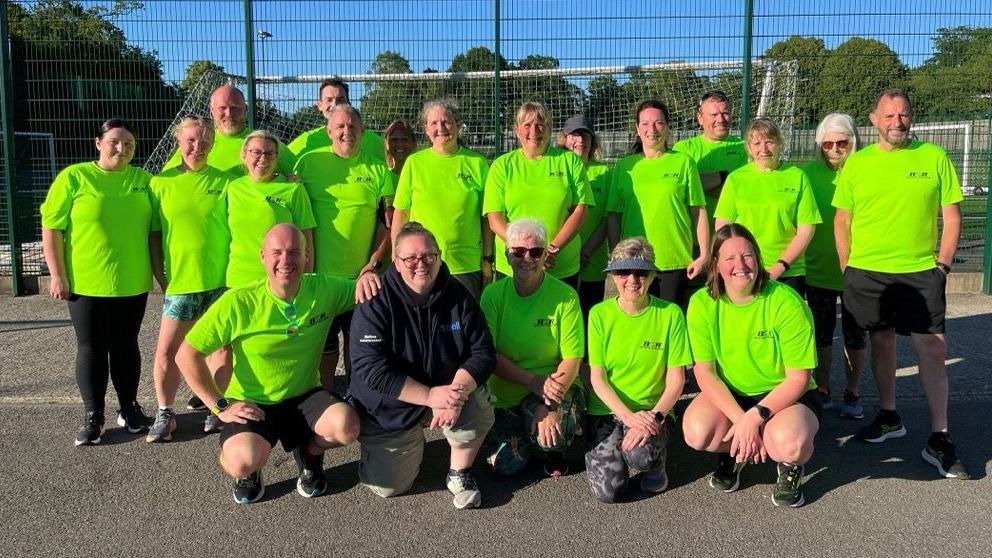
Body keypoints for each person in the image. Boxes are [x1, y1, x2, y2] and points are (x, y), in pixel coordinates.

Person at [176, 223, 380, 504]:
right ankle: (249, 473)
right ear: (262, 256)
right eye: (277, 252)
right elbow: (186, 355)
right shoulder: (239, 302)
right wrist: (219, 405)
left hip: (305, 395)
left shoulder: (324, 288)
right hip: (253, 402)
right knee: (242, 459)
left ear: (307, 257)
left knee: (347, 427)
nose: (286, 260)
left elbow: (366, 291)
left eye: (295, 252)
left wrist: (369, 274)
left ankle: (310, 453)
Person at [833, 89, 968, 479]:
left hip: (921, 272)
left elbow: (952, 216)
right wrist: (848, 268)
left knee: (932, 347)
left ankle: (940, 437)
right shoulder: (856, 165)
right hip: (868, 273)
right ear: (873, 119)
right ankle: (889, 416)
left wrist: (941, 266)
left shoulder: (934, 157)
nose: (897, 122)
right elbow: (843, 221)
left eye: (904, 115)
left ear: (912, 117)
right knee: (883, 341)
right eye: (888, 116)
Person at [349, 222, 496, 509]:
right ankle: (397, 442)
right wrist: (428, 397)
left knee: (477, 402)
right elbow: (370, 368)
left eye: (429, 256)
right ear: (396, 261)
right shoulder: (375, 299)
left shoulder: (458, 295)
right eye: (411, 258)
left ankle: (459, 472)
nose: (421, 264)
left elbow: (483, 352)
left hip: (444, 392)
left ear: (440, 256)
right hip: (393, 405)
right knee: (389, 487)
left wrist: (454, 394)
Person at [682, 224, 821, 508]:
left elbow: (799, 378)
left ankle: (789, 466)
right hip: (732, 393)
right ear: (716, 264)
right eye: (730, 258)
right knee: (697, 432)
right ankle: (735, 451)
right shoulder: (702, 303)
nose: (740, 265)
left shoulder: (785, 302)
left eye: (747, 256)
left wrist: (754, 417)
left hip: (784, 395)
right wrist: (740, 420)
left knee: (787, 443)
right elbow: (704, 372)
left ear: (758, 258)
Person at [40, 118, 154, 445]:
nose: (122, 148)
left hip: (131, 282)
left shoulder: (144, 180)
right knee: (91, 348)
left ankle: (129, 409)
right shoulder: (75, 177)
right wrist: (57, 274)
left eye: (129, 144)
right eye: (115, 142)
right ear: (98, 143)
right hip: (85, 285)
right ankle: (93, 415)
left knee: (126, 346)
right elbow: (51, 228)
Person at [294, 103, 395, 390]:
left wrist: (374, 262)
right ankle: (324, 397)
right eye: (339, 127)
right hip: (318, 280)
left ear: (362, 131)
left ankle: (358, 398)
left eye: (352, 126)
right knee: (323, 347)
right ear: (329, 131)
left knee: (359, 346)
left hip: (359, 279)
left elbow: (387, 222)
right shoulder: (308, 163)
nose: (346, 132)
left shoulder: (377, 169)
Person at [146, 117, 233, 442]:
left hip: (220, 282)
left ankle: (217, 409)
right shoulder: (160, 183)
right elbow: (154, 235)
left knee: (220, 349)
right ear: (179, 141)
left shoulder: (226, 182)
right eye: (191, 141)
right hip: (181, 284)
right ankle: (165, 413)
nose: (198, 147)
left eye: (205, 141)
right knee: (167, 352)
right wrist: (160, 275)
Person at [584, 237, 690, 503]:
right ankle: (605, 450)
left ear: (652, 275)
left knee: (640, 456)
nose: (632, 279)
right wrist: (628, 418)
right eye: (623, 271)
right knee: (607, 493)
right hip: (608, 410)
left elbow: (677, 380)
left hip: (652, 411)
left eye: (641, 272)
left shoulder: (670, 314)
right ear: (612, 276)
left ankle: (656, 464)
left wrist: (654, 417)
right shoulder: (599, 314)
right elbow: (597, 378)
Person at [480, 219, 585, 477]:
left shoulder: (565, 296)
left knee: (553, 438)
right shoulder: (493, 295)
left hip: (556, 386)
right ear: (507, 254)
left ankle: (552, 445)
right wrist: (532, 382)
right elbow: (488, 354)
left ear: (545, 254)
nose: (527, 258)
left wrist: (548, 404)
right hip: (509, 392)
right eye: (518, 252)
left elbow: (572, 358)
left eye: (536, 251)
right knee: (503, 464)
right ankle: (530, 433)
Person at [607, 99, 708, 307]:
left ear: (667, 126)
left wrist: (705, 254)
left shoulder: (683, 162)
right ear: (637, 128)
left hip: (675, 260)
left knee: (671, 324)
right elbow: (613, 216)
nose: (652, 129)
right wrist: (616, 257)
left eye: (658, 123)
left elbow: (698, 211)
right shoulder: (625, 167)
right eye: (645, 124)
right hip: (635, 262)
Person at [483, 101, 593, 288]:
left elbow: (581, 211)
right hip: (514, 268)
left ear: (549, 129)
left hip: (560, 267)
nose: (534, 130)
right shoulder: (502, 166)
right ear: (517, 130)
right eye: (527, 125)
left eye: (540, 124)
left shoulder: (570, 161)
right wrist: (526, 253)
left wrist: (551, 250)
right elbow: (495, 219)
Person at [392, 99, 493, 299]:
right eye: (434, 123)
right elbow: (401, 213)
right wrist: (397, 256)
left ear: (457, 123)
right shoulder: (414, 163)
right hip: (421, 265)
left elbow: (486, 218)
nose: (441, 128)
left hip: (465, 266)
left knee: (463, 326)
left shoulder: (477, 163)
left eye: (447, 122)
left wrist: (487, 259)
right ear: (426, 129)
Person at [801, 113, 867, 418]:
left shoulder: (866, 169)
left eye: (842, 141)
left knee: (855, 335)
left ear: (853, 140)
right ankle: (823, 387)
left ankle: (852, 393)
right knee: (822, 335)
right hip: (818, 271)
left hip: (858, 271)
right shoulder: (807, 175)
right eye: (828, 143)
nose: (835, 148)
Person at [714, 117, 821, 297]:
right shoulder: (736, 179)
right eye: (756, 143)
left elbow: (806, 229)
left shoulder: (797, 177)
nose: (763, 149)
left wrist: (780, 266)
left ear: (779, 143)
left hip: (789, 271)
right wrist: (737, 263)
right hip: (745, 271)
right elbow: (723, 227)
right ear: (748, 147)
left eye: (769, 142)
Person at [226, 130, 316, 289]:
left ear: (277, 158)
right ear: (244, 155)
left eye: (270, 154)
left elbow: (307, 240)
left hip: (280, 281)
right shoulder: (232, 189)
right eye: (256, 152)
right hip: (238, 281)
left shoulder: (293, 190)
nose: (263, 158)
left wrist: (305, 281)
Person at [165, 84, 295, 176]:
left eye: (235, 107)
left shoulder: (262, 142)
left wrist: (291, 179)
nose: (229, 114)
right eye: (222, 108)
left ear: (245, 110)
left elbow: (297, 174)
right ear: (212, 111)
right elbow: (168, 177)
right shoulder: (199, 142)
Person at [556, 115, 612, 317]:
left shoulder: (604, 172)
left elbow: (608, 217)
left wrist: (586, 250)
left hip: (592, 261)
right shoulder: (556, 168)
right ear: (564, 138)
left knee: (588, 317)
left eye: (585, 136)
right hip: (561, 259)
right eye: (575, 135)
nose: (580, 141)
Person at [671, 90, 749, 234]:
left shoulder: (746, 148)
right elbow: (680, 189)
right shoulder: (683, 149)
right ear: (700, 118)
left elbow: (745, 193)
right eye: (713, 115)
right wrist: (723, 177)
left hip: (732, 239)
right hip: (690, 239)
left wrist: (699, 183)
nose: (720, 119)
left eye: (725, 113)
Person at [287, 78, 386, 160]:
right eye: (329, 100)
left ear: (348, 103)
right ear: (319, 105)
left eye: (340, 99)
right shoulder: (306, 141)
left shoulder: (374, 142)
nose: (334, 105)